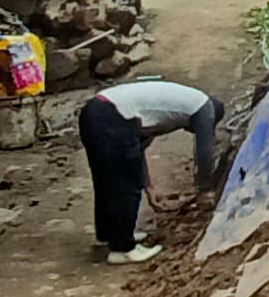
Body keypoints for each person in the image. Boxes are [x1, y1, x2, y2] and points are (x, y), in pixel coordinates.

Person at [79, 77, 223, 266]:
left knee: (107, 178)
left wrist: (149, 188)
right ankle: (123, 249)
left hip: (95, 111)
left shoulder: (173, 106)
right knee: (126, 184)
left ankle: (112, 235)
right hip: (114, 117)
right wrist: (206, 189)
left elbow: (138, 150)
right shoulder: (204, 107)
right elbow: (205, 152)